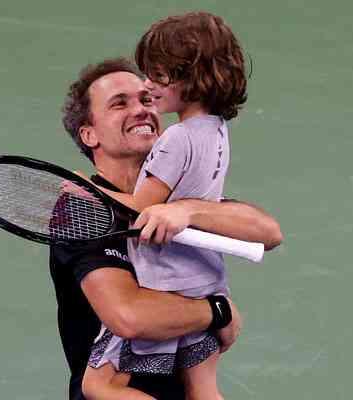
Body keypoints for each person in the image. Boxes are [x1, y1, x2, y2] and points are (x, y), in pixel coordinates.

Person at [52, 57, 282, 400]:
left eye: (146, 99)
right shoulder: (82, 210)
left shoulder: (180, 196)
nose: (142, 109)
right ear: (90, 134)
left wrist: (186, 210)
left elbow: (267, 232)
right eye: (120, 104)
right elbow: (129, 317)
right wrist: (217, 311)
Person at [81, 12, 250, 400]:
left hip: (166, 285)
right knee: (204, 390)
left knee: (100, 386)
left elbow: (141, 208)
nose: (148, 84)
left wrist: (85, 190)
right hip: (208, 280)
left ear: (187, 78)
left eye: (156, 76)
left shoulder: (174, 139)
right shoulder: (217, 131)